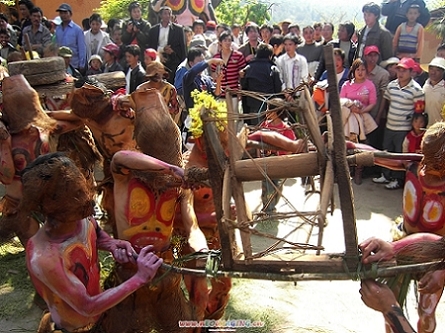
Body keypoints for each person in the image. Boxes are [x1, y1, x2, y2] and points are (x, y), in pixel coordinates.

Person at [20, 152, 163, 333]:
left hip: (101, 320)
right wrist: (140, 278)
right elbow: (87, 306)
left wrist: (112, 244)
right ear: (49, 204)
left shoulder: (79, 217)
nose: (86, 199)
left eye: (81, 190)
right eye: (74, 195)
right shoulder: (44, 257)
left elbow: (96, 232)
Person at [373, 57, 425, 190]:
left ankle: (397, 179)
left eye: (404, 71)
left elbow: (418, 111)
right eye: (399, 70)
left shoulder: (417, 90)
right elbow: (388, 103)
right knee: (386, 151)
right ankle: (385, 175)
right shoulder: (392, 86)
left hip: (403, 128)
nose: (400, 73)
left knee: (399, 154)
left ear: (411, 72)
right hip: (390, 125)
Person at [241, 43, 282, 126]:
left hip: (253, 103)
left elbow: (244, 85)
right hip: (270, 105)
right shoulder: (273, 69)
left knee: (256, 128)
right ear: (270, 56)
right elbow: (278, 88)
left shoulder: (248, 68)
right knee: (270, 128)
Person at [340, 58, 378, 146]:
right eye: (357, 69)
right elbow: (341, 101)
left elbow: (372, 103)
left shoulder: (370, 85)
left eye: (363, 69)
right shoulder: (346, 85)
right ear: (353, 71)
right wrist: (351, 106)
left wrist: (361, 111)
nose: (360, 72)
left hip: (363, 115)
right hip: (347, 115)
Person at [147, 6, 186, 84]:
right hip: (158, 59)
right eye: (165, 14)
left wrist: (174, 52)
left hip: (173, 60)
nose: (167, 16)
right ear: (160, 15)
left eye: (169, 14)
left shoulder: (178, 29)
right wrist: (162, 50)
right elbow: (151, 46)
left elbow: (183, 47)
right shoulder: (153, 30)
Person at [55, 3, 86, 73]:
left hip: (74, 64)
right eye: (61, 13)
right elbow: (56, 46)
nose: (63, 15)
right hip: (61, 65)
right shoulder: (58, 29)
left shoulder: (77, 29)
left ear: (70, 14)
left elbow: (82, 48)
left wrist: (82, 64)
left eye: (65, 13)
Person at [276, 33, 308, 101]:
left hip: (299, 96)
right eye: (285, 44)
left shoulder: (301, 60)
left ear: (296, 45)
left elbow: (304, 78)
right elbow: (280, 79)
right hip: (284, 96)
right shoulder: (280, 60)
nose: (287, 47)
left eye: (290, 44)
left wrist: (300, 93)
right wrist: (287, 95)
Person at [422, 57, 445, 127]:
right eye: (431, 69)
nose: (433, 72)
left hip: (440, 129)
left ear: (443, 72)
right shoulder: (424, 86)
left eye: (437, 70)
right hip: (425, 127)